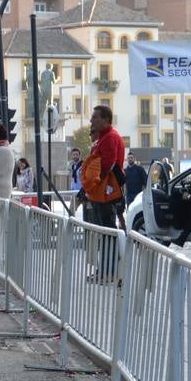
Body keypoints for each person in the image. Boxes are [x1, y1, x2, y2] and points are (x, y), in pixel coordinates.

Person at [75, 106, 124, 280]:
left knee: (107, 233)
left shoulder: (110, 138)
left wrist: (90, 185)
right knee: (104, 233)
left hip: (105, 193)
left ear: (105, 119)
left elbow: (106, 166)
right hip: (100, 192)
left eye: (95, 117)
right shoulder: (105, 137)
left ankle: (108, 272)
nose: (91, 121)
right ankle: (105, 270)